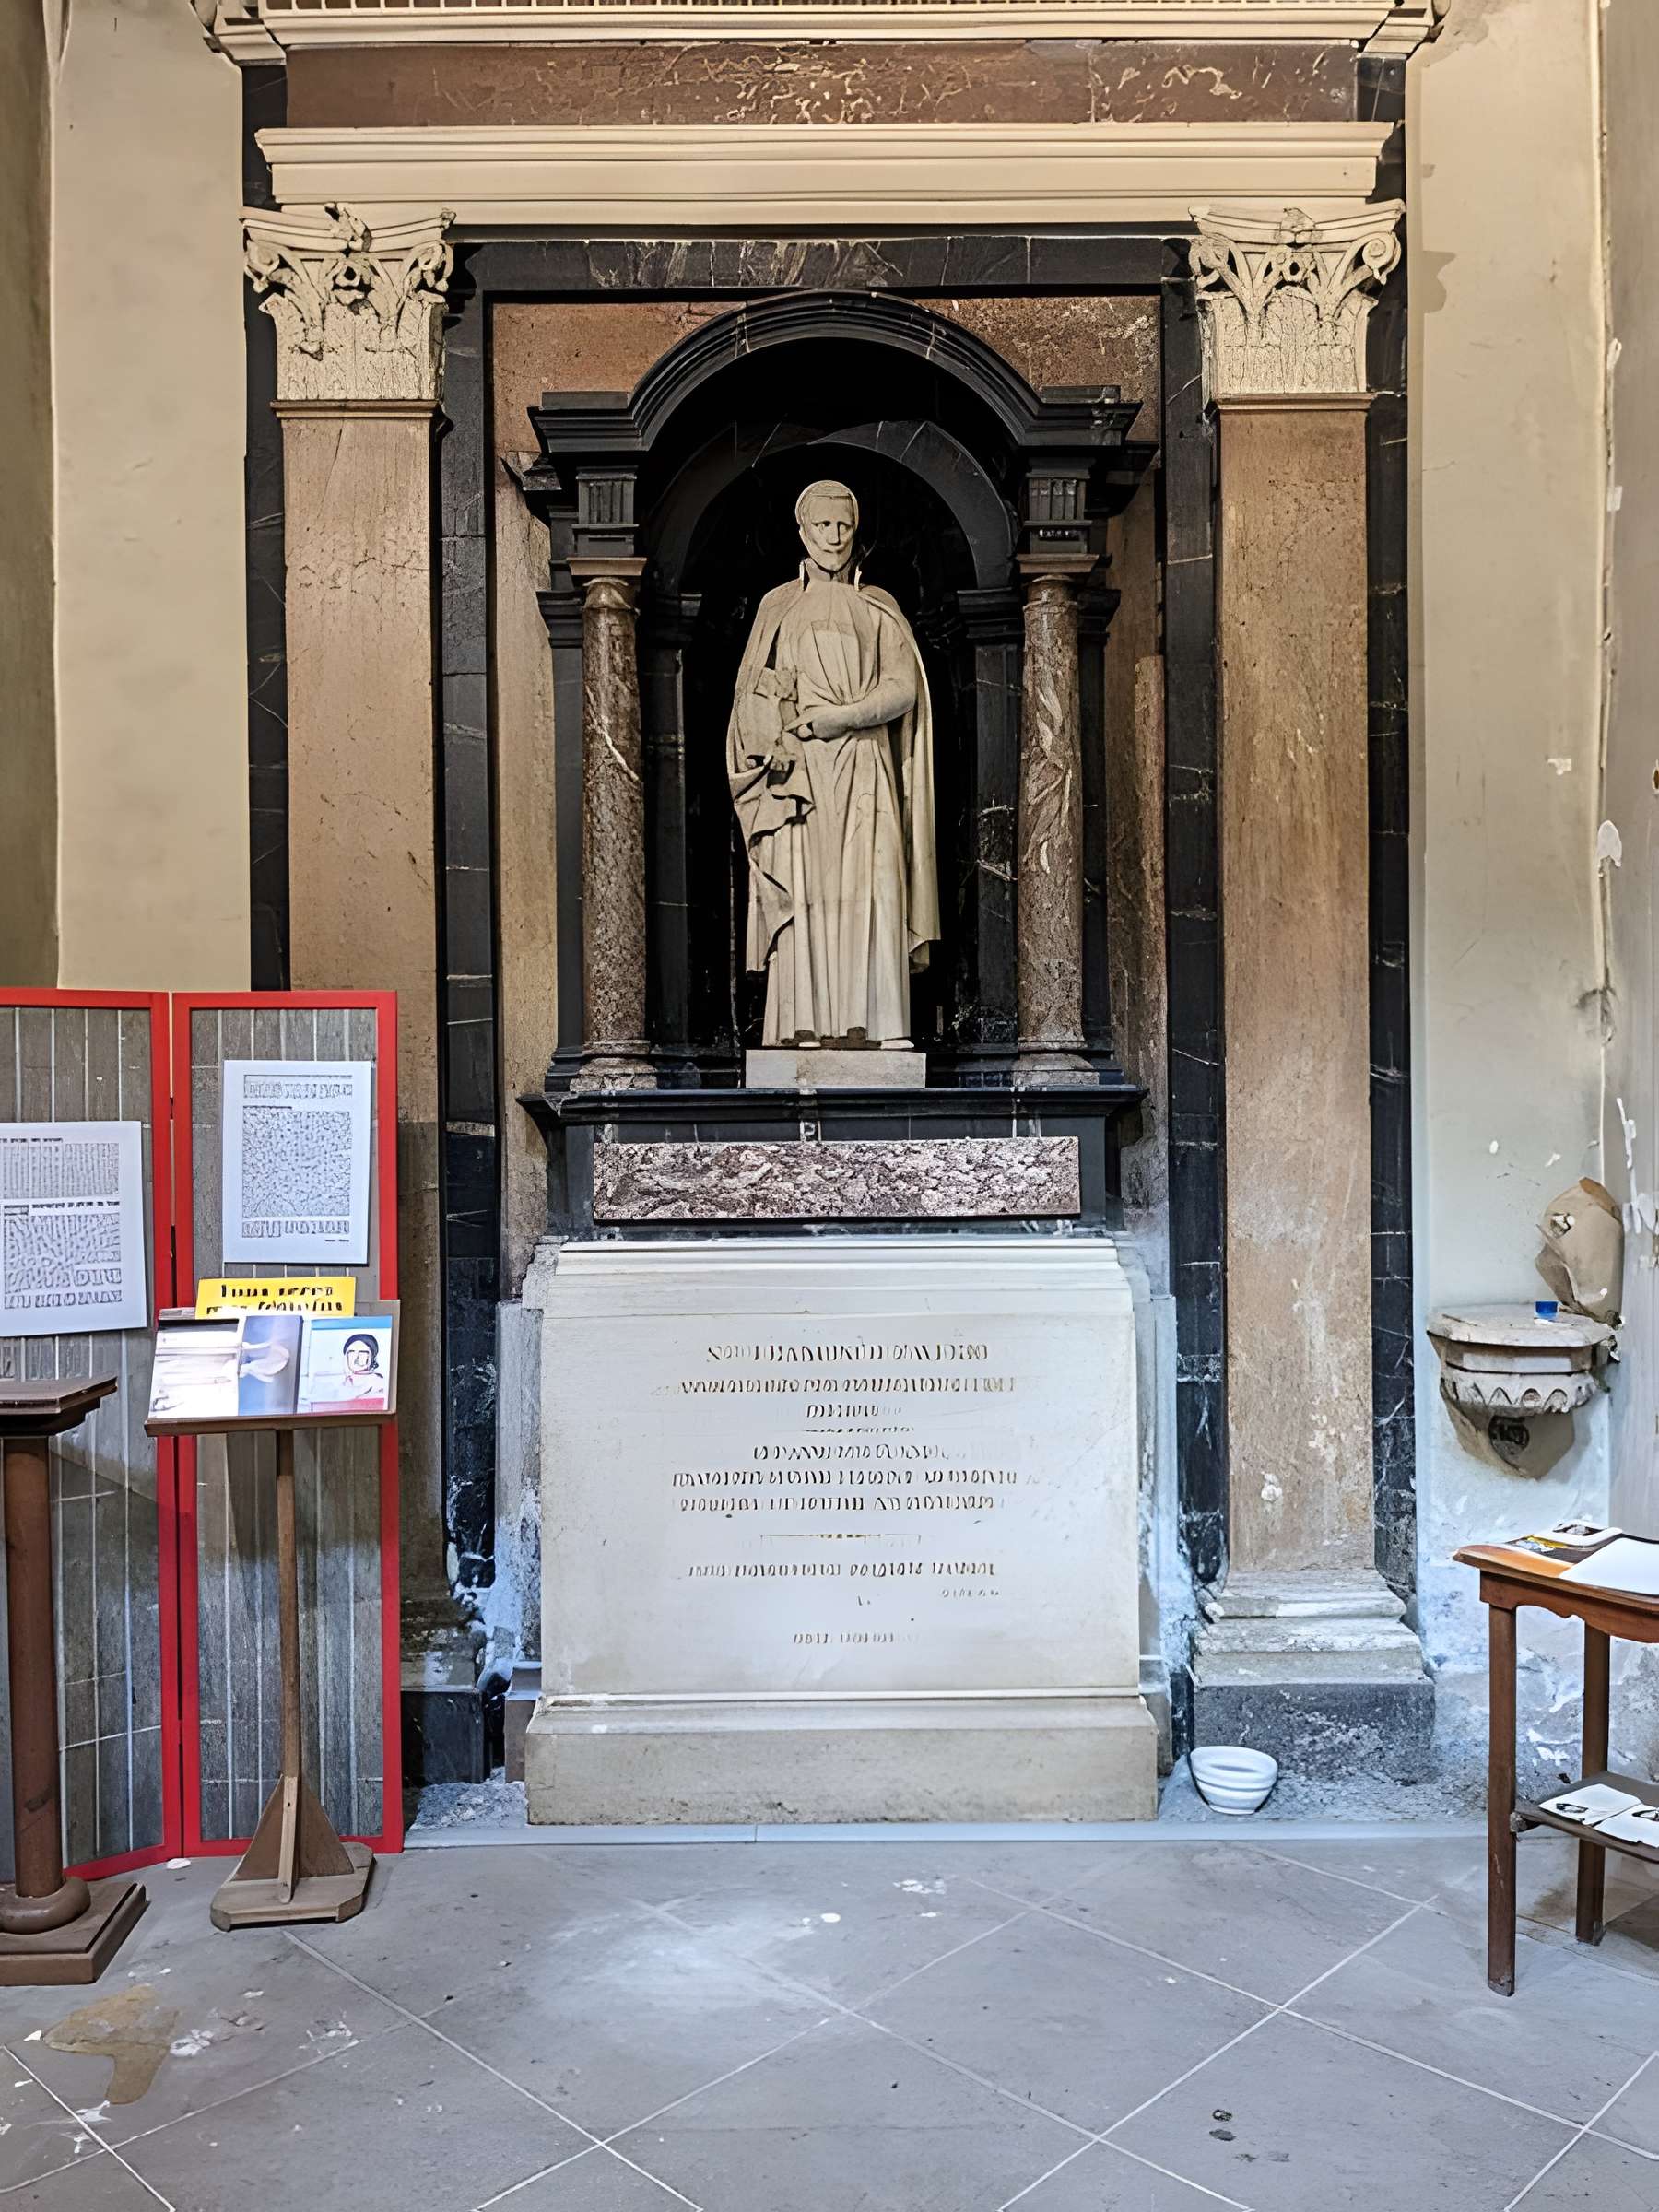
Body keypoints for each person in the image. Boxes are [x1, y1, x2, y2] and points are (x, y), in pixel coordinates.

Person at [727, 480, 938, 1051]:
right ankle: (801, 1027)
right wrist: (770, 729)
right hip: (798, 776)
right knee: (806, 890)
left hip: (866, 764)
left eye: (843, 526)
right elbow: (751, 695)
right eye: (822, 526)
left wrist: (842, 718)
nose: (834, 537)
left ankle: (881, 1024)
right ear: (802, 532)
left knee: (874, 887)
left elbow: (903, 690)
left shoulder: (878, 607)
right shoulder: (778, 606)